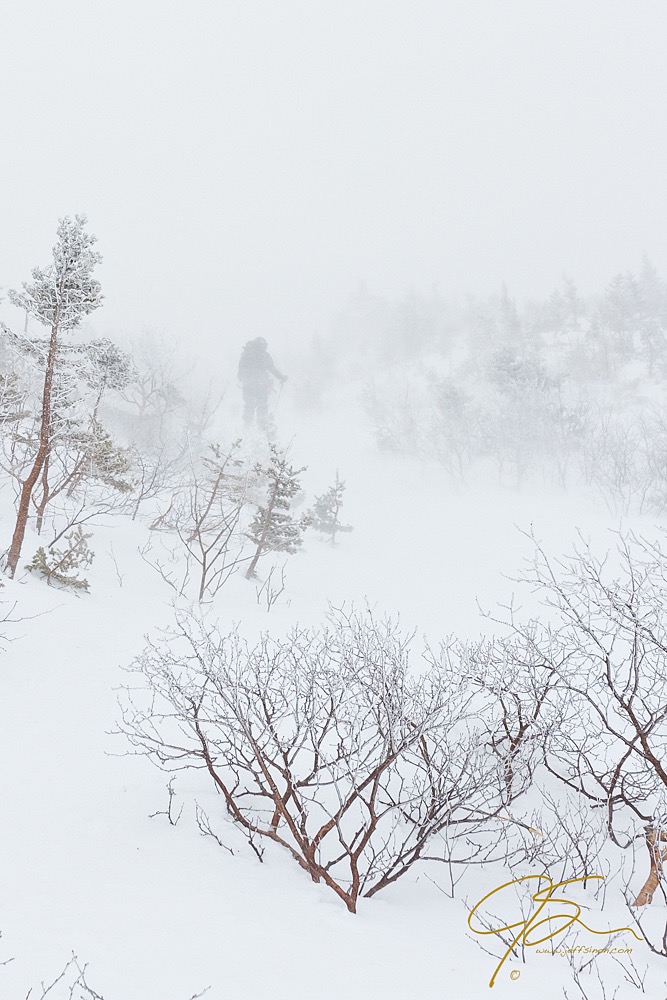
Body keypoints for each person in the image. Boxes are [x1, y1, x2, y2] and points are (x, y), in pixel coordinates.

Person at [238, 337, 286, 429]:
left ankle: (247, 428)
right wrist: (281, 377)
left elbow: (241, 370)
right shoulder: (264, 355)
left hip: (249, 386)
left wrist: (244, 380)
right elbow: (272, 369)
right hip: (262, 385)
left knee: (249, 406)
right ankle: (262, 427)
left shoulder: (247, 354)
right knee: (262, 406)